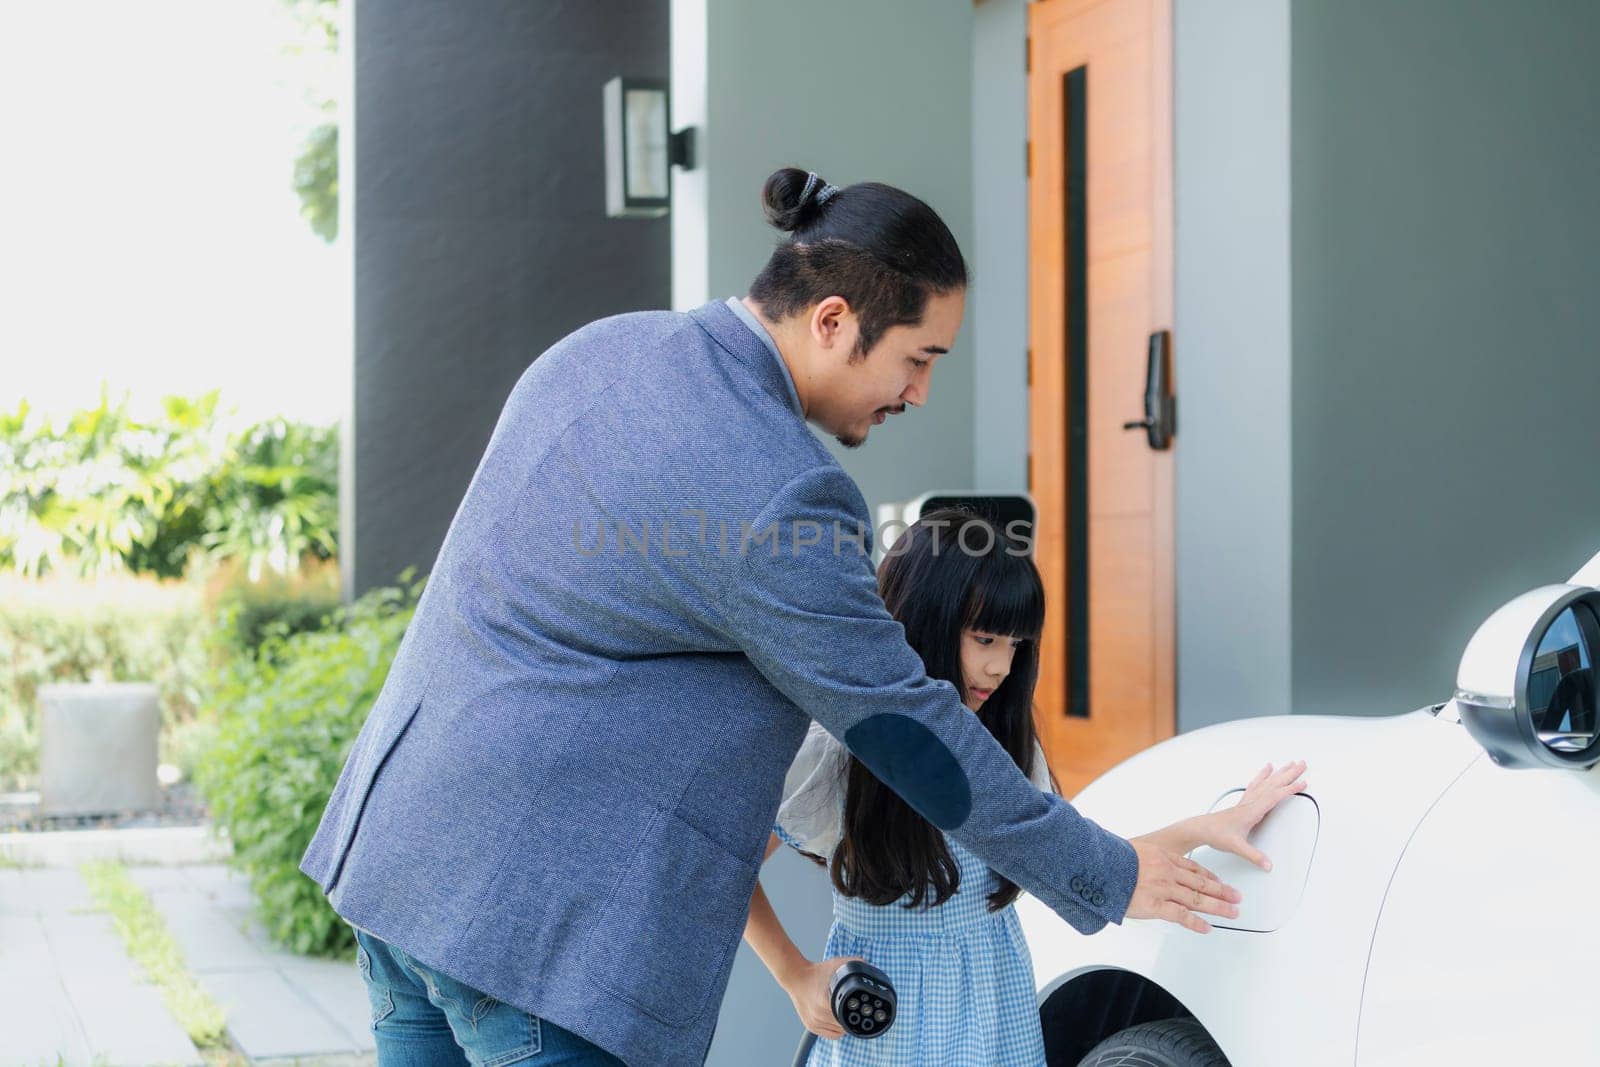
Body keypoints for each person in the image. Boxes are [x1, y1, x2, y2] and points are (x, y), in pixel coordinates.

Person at [300, 167, 1251, 1067]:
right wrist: (1111, 872)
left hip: (402, 862)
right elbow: (908, 730)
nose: (918, 393)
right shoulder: (780, 490)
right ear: (834, 320)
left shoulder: (597, 350)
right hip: (545, 940)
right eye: (918, 358)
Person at [743, 511, 1308, 1066]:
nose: (1000, 668)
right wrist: (795, 977)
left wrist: (1203, 829)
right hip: (886, 1025)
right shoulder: (835, 753)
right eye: (985, 638)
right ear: (921, 621)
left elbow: (1071, 864)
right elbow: (729, 867)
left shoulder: (1004, 750)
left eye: (1016, 645)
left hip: (997, 1014)